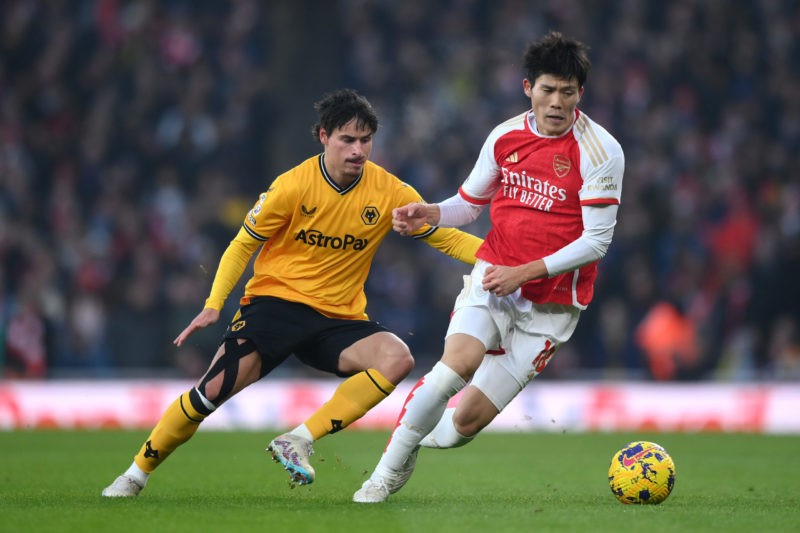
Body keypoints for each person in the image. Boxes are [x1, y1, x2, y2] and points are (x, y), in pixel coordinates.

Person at [101, 88, 483, 497]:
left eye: (365, 140)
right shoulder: (292, 186)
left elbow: (445, 238)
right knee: (210, 392)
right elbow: (242, 244)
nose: (358, 150)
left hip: (338, 318)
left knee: (396, 358)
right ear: (323, 136)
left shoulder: (389, 191)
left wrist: (502, 261)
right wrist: (214, 305)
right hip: (276, 306)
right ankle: (135, 473)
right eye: (347, 140)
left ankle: (299, 438)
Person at [353, 31, 625, 503]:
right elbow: (469, 202)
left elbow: (596, 241)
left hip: (553, 308)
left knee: (464, 424)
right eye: (547, 89)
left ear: (581, 93)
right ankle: (384, 474)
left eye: (567, 91)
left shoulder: (601, 151)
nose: (556, 101)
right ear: (528, 88)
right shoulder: (504, 136)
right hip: (495, 278)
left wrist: (527, 272)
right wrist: (432, 211)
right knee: (454, 367)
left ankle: (421, 433)